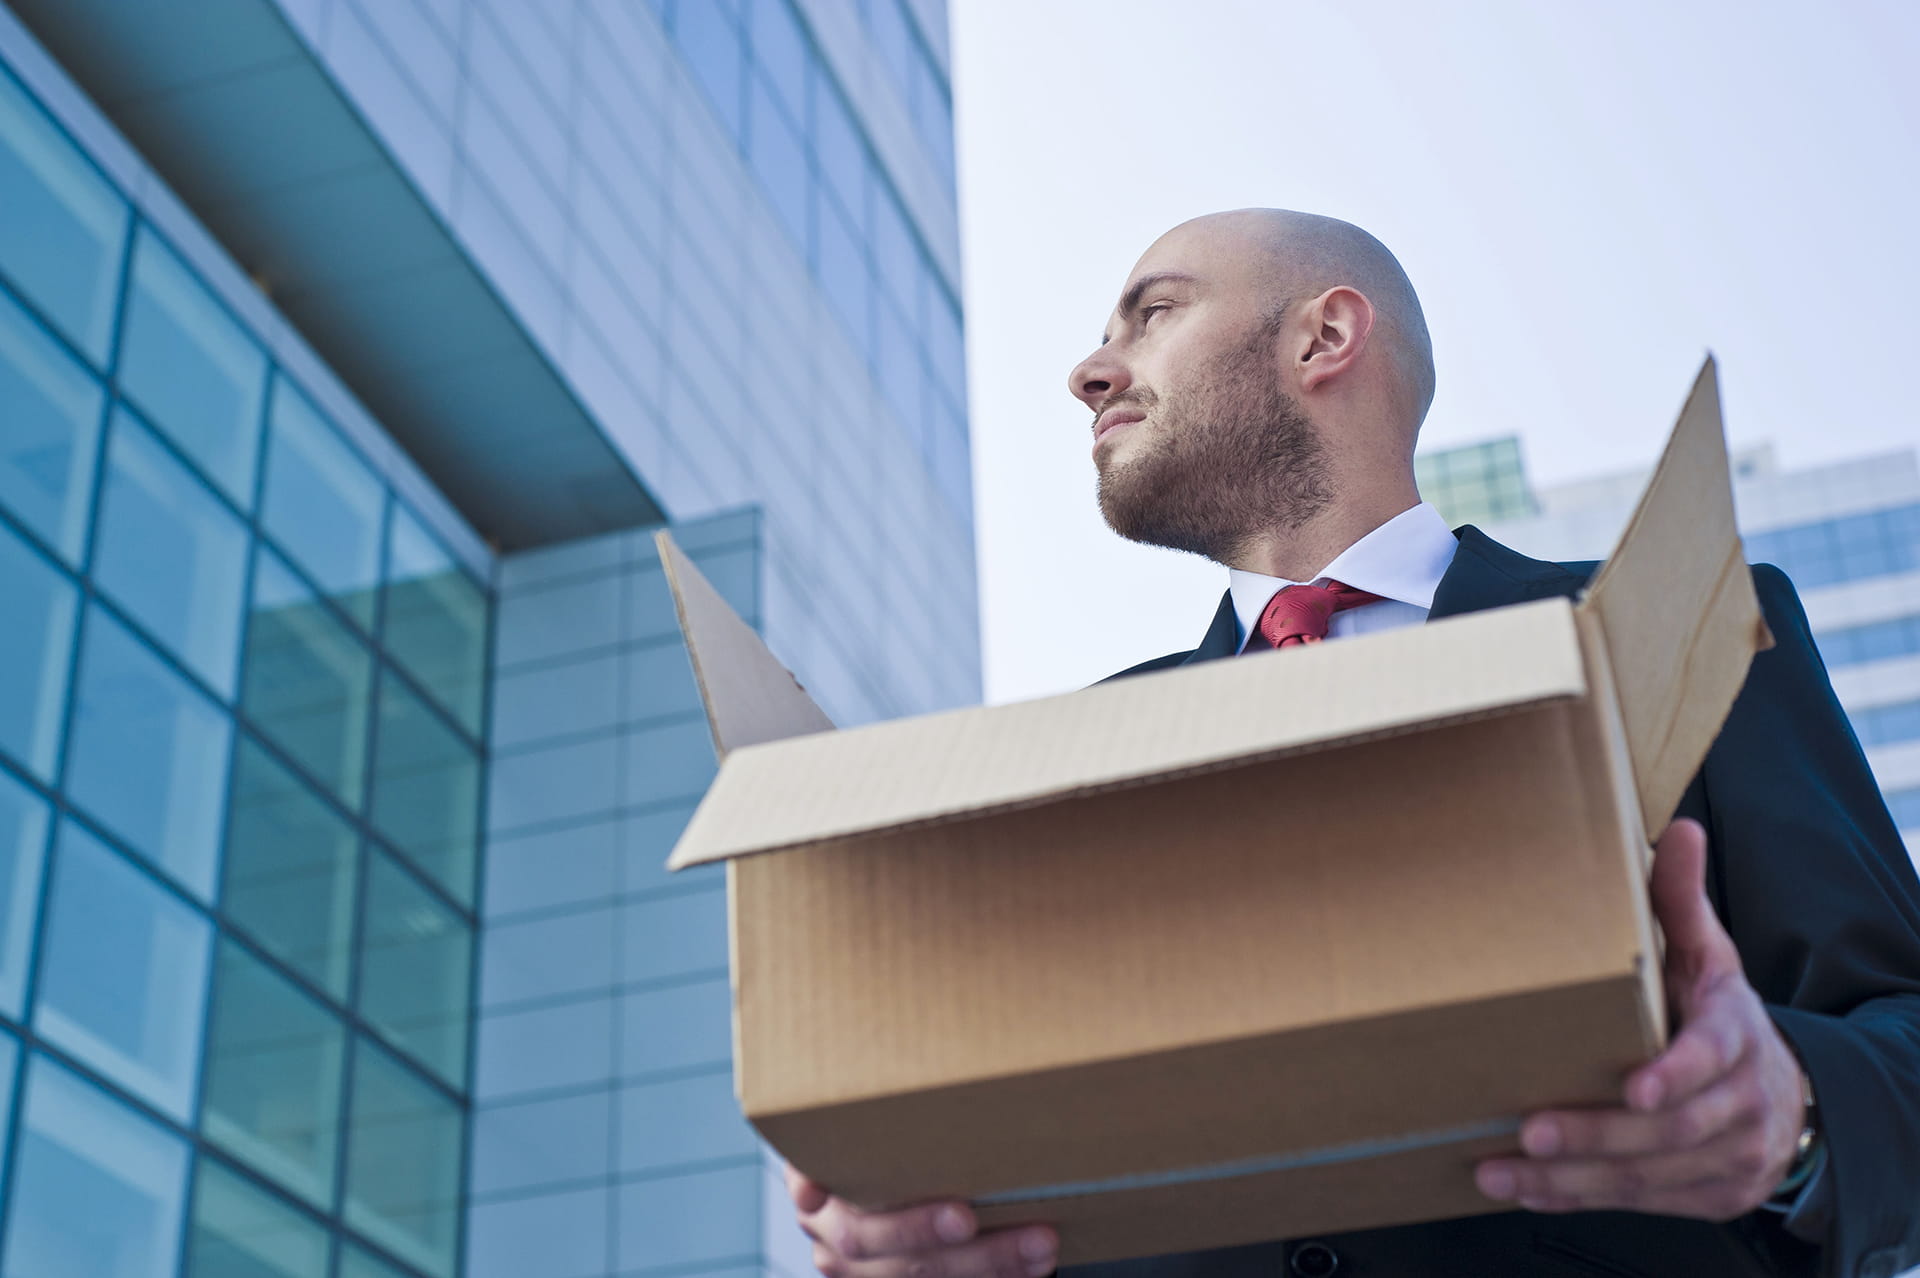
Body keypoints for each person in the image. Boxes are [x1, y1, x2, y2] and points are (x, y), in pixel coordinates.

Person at [784, 210, 1920, 1278]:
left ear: (1325, 336)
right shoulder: (1073, 755)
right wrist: (912, 1214)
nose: (1090, 370)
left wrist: (1797, 1111)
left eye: (1154, 312)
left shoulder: (1683, 633)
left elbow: (1902, 1037)